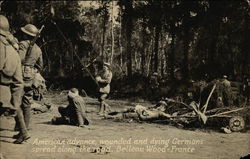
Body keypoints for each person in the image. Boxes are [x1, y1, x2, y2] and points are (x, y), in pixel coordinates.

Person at [0, 15, 30, 144]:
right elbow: (18, 82)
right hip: (9, 90)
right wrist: (15, 102)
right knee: (18, 105)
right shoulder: (14, 50)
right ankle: (24, 131)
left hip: (1, 91)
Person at [14, 24, 43, 131]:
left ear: (26, 35)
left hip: (20, 73)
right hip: (31, 75)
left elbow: (19, 59)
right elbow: (40, 66)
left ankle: (20, 127)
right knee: (27, 102)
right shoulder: (38, 49)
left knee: (16, 100)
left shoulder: (23, 44)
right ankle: (24, 127)